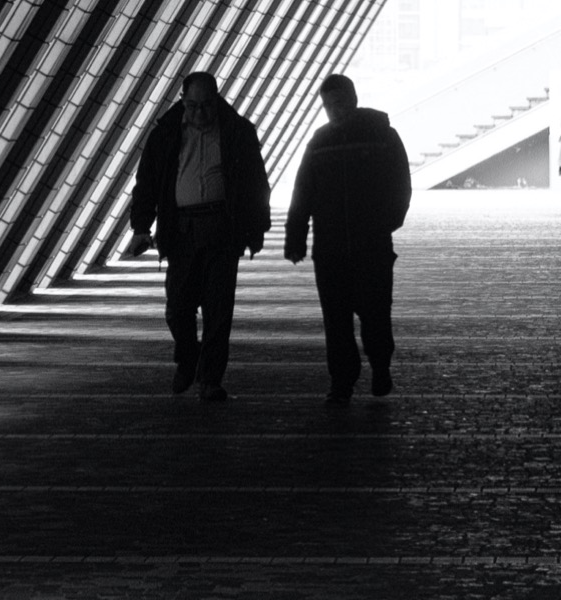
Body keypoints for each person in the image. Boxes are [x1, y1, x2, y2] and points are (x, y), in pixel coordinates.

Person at [129, 72, 271, 402]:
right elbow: (147, 183)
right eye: (192, 106)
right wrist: (141, 227)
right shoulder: (165, 134)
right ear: (182, 101)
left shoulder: (237, 132)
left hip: (222, 228)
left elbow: (256, 184)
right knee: (177, 308)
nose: (200, 113)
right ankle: (188, 358)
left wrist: (256, 228)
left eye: (206, 105)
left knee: (218, 311)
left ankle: (210, 380)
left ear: (217, 100)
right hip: (181, 230)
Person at [284, 74, 412, 405]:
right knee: (338, 319)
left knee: (374, 313)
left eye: (338, 103)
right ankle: (343, 380)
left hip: (365, 244)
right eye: (328, 105)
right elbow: (303, 191)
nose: (333, 111)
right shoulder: (324, 141)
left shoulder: (380, 136)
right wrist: (295, 235)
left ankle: (378, 366)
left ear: (353, 100)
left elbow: (401, 184)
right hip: (336, 247)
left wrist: (387, 222)